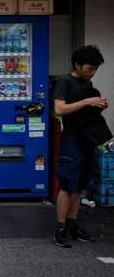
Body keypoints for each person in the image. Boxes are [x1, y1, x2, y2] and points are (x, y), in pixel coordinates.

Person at [53, 45, 109, 248]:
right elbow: (59, 109)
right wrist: (87, 101)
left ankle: (72, 224)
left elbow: (83, 111)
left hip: (88, 138)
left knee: (80, 187)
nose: (92, 72)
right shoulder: (65, 82)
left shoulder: (88, 82)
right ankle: (60, 227)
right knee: (68, 185)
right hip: (72, 140)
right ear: (77, 64)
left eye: (95, 69)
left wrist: (98, 105)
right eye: (89, 68)